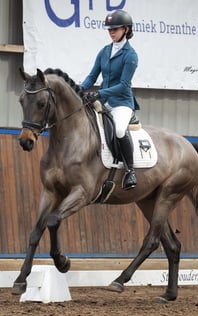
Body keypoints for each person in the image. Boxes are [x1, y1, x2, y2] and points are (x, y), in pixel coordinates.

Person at [81, 9, 139, 190]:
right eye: (109, 29)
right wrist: (79, 91)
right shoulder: (104, 51)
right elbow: (92, 76)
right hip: (104, 99)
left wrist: (99, 94)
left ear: (126, 30)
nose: (111, 32)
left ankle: (130, 171)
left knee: (120, 130)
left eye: (115, 29)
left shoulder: (131, 56)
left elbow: (123, 85)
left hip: (122, 103)